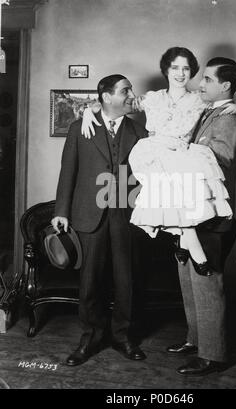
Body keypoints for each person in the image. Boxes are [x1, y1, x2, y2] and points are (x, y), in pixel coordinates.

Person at [82, 47, 236, 276]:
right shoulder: (152, 98)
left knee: (180, 198)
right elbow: (115, 104)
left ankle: (185, 240)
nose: (180, 73)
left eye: (186, 68)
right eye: (175, 67)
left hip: (181, 156)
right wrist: (90, 109)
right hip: (153, 155)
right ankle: (188, 241)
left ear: (192, 72)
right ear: (166, 70)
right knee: (168, 199)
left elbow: (222, 106)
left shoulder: (200, 99)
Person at [52, 74, 148, 366]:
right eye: (125, 90)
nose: (131, 94)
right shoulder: (79, 128)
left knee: (126, 280)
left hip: (126, 214)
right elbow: (68, 170)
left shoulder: (140, 132)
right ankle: (91, 337)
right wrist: (61, 211)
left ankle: (123, 336)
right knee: (90, 281)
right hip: (87, 214)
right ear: (106, 97)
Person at [167, 57, 236, 376]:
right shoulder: (212, 112)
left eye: (208, 80)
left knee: (207, 282)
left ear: (226, 86)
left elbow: (221, 160)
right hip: (190, 212)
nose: (201, 84)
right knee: (189, 279)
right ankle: (196, 340)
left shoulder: (228, 118)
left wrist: (176, 155)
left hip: (210, 215)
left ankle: (213, 355)